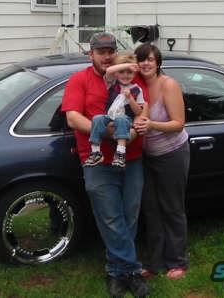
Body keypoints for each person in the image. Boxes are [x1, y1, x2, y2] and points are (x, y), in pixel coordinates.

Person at [62, 32, 150, 298]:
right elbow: (73, 119)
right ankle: (128, 272)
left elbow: (142, 113)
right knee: (111, 218)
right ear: (91, 55)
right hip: (96, 160)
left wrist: (133, 132)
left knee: (129, 215)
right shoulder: (79, 80)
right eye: (101, 51)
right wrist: (108, 134)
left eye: (110, 50)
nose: (106, 55)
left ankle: (117, 269)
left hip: (132, 158)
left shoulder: (132, 80)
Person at [133, 43, 190, 281]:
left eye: (151, 60)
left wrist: (151, 125)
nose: (146, 63)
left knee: (172, 208)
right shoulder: (138, 86)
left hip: (172, 154)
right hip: (147, 157)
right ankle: (155, 263)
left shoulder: (168, 85)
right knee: (151, 210)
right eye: (142, 59)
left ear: (158, 63)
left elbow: (178, 123)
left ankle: (177, 262)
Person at [86, 53, 147, 168]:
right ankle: (95, 151)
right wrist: (128, 65)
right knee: (97, 118)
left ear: (134, 73)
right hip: (110, 116)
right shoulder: (113, 83)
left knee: (121, 119)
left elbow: (138, 111)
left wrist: (130, 99)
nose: (125, 75)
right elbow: (109, 71)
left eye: (129, 72)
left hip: (126, 119)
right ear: (117, 73)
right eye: (122, 72)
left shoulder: (137, 90)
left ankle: (120, 153)